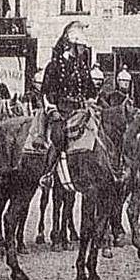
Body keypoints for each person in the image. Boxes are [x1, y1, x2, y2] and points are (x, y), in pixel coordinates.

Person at [40, 21, 96, 184]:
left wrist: (91, 101)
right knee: (58, 137)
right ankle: (48, 173)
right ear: (73, 45)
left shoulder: (83, 67)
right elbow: (46, 92)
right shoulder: (56, 65)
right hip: (61, 112)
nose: (84, 49)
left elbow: (91, 91)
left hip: (81, 111)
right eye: (81, 46)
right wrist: (53, 111)